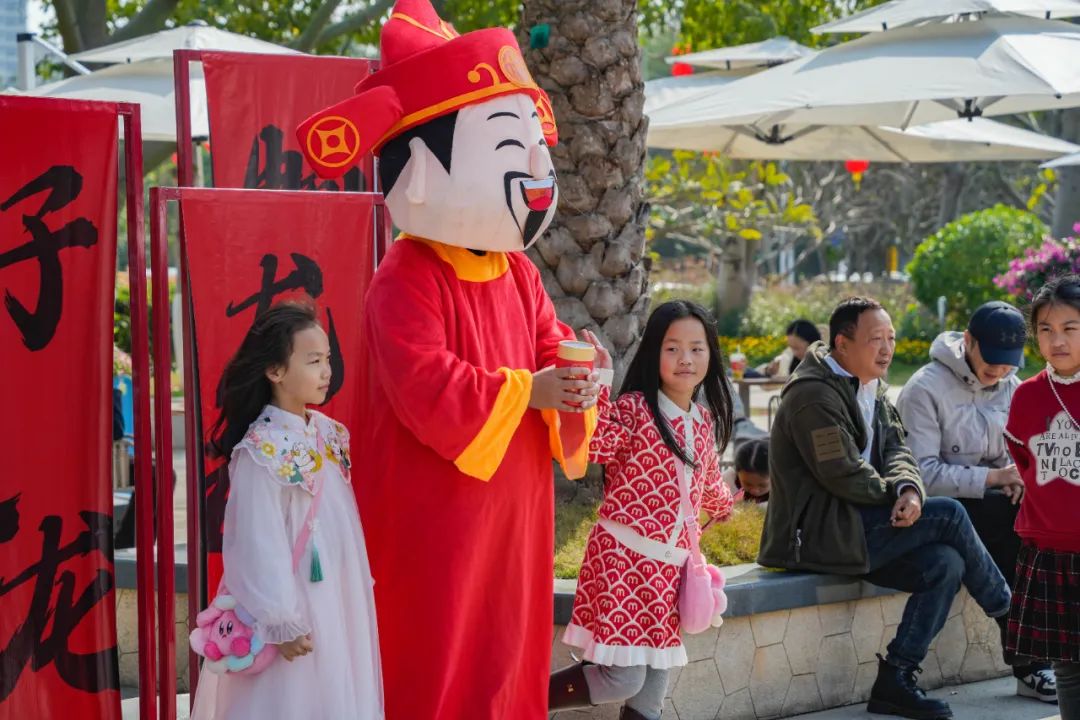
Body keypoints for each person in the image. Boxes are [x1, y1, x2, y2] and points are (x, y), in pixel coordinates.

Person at [299, 2, 600, 716]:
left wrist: (580, 376)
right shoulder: (405, 276)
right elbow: (426, 385)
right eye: (510, 148)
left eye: (537, 150)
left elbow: (549, 343)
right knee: (439, 647)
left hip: (515, 510)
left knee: (509, 643)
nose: (537, 172)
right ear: (422, 170)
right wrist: (532, 391)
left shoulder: (517, 271)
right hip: (434, 512)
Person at [760, 296, 1011, 720]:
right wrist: (899, 496)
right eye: (876, 339)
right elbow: (842, 472)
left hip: (859, 528)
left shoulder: (869, 386)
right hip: (817, 536)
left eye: (891, 338)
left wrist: (910, 488)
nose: (887, 349)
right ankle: (1010, 618)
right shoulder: (813, 396)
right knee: (949, 513)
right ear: (842, 344)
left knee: (944, 563)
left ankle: (895, 678)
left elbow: (898, 448)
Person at [190, 302, 383, 720]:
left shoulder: (328, 433)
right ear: (275, 370)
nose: (326, 371)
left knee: (333, 692)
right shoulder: (261, 448)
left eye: (327, 359)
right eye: (313, 361)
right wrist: (280, 619)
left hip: (334, 594)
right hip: (292, 601)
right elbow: (256, 541)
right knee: (290, 698)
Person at [549, 301, 734, 720]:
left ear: (711, 354)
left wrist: (727, 504)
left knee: (650, 695)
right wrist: (601, 379)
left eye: (696, 348)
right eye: (672, 348)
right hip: (624, 562)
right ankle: (521, 702)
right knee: (623, 679)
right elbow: (595, 445)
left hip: (670, 573)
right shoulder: (635, 408)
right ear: (654, 353)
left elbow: (708, 485)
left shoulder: (703, 421)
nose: (685, 359)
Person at [897, 301, 1056, 702]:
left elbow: (1023, 453)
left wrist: (1019, 479)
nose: (1000, 370)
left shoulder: (1013, 386)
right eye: (992, 359)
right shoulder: (924, 388)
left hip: (995, 502)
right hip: (939, 509)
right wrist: (994, 478)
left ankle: (1045, 652)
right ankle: (1031, 663)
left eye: (1009, 362)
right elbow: (920, 474)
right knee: (1009, 527)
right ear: (968, 341)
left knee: (1042, 521)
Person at [1004, 275, 1080, 720]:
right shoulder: (1027, 396)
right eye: (1046, 329)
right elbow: (1024, 464)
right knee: (1066, 668)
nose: (1057, 340)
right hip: (1050, 553)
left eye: (1070, 328)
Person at [725, 437, 769, 503]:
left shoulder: (783, 493)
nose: (754, 491)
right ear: (736, 473)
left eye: (762, 485)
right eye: (747, 484)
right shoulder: (726, 483)